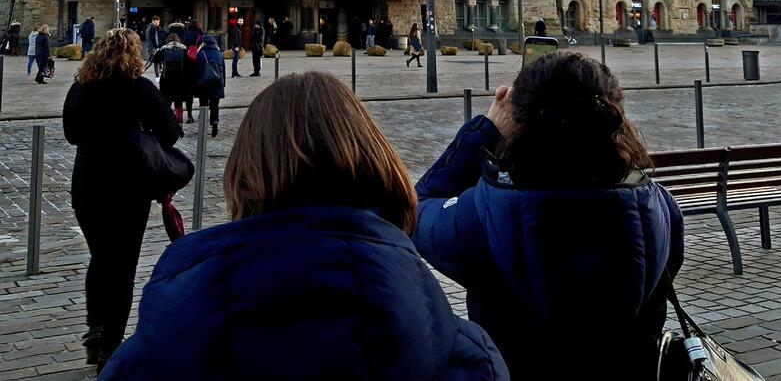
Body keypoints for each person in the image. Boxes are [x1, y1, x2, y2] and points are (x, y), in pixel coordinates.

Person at [101, 72, 508, 380]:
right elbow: (425, 207)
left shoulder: (157, 351)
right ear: (377, 164)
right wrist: (487, 133)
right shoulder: (466, 355)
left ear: (244, 177)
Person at [414, 52, 684, 379]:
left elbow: (417, 209)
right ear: (612, 118)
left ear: (520, 123)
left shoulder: (483, 215)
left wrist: (487, 131)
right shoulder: (657, 207)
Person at [62, 27, 182, 371]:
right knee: (123, 268)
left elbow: (71, 134)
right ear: (133, 54)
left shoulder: (81, 86)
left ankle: (96, 328)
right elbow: (171, 132)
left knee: (101, 258)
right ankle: (110, 347)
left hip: (88, 184)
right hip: (129, 187)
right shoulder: (139, 88)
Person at [155, 25, 197, 124]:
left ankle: (167, 118)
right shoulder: (184, 49)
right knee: (179, 99)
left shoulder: (164, 49)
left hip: (167, 79)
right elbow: (190, 64)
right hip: (181, 79)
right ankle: (182, 117)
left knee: (167, 100)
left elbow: (155, 60)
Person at [195, 34, 226, 137]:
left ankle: (203, 126)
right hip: (217, 83)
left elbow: (197, 69)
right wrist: (223, 84)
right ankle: (215, 121)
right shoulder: (219, 54)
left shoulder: (201, 53)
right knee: (215, 105)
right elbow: (223, 70)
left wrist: (196, 83)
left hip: (204, 83)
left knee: (203, 104)